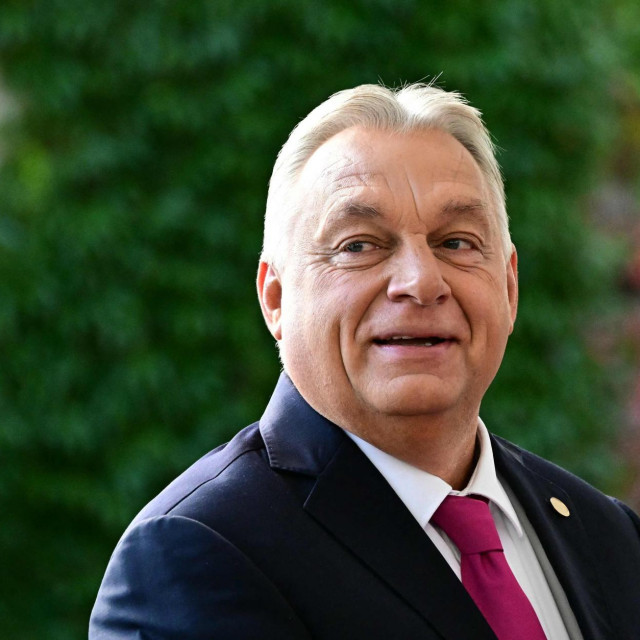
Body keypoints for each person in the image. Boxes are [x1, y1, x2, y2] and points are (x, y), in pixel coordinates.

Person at [89, 84, 640, 640]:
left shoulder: (609, 538)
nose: (421, 282)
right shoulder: (197, 555)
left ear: (510, 287)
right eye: (359, 245)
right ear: (276, 299)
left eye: (456, 242)